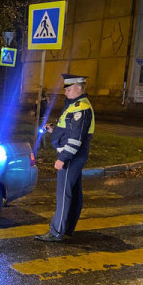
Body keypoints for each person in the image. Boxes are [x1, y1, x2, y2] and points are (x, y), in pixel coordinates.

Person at [35, 74, 95, 242]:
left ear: (78, 88)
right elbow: (70, 131)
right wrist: (54, 131)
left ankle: (56, 231)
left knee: (64, 194)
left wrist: (63, 158)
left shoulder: (81, 108)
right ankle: (67, 228)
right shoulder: (74, 106)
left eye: (69, 89)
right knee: (73, 192)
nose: (66, 92)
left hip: (71, 157)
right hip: (74, 156)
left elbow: (76, 138)